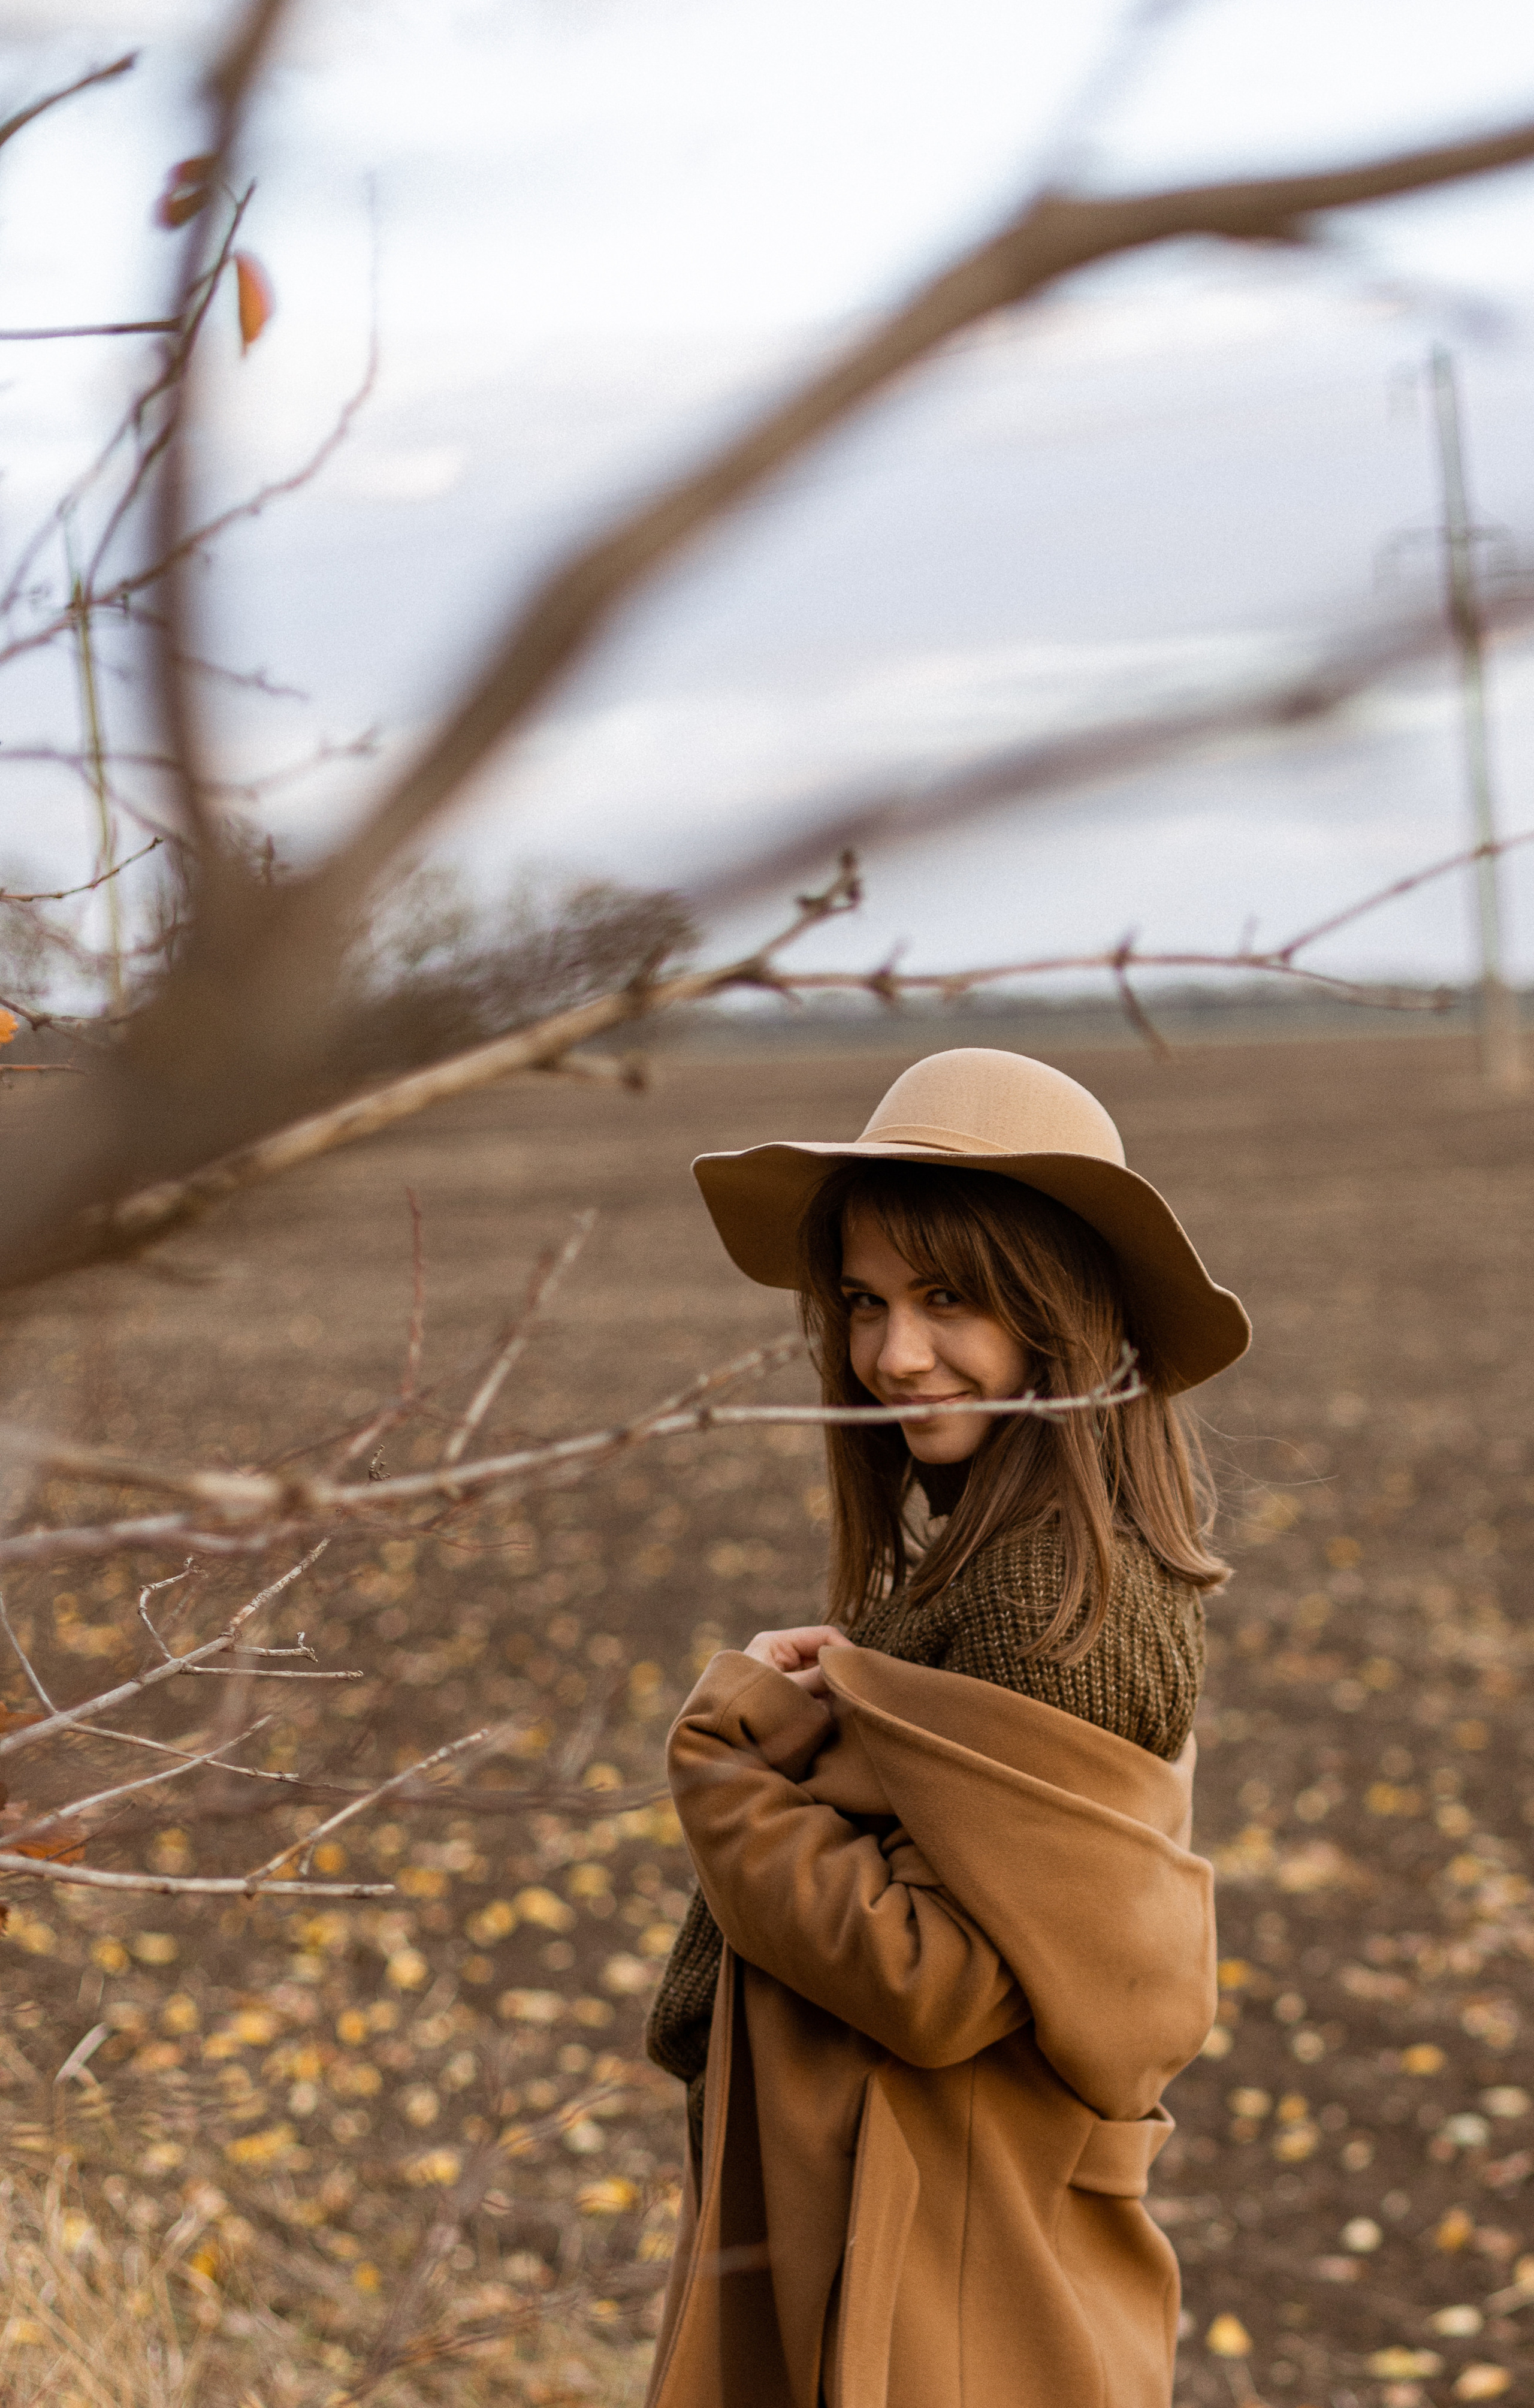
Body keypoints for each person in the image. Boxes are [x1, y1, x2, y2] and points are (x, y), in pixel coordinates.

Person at [644, 1048, 1249, 2408]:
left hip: (950, 2298)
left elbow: (940, 1980)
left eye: (947, 1298)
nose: (892, 1355)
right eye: (865, 1302)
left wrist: (730, 1754)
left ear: (1059, 1315)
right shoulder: (993, 1564)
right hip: (913, 2246)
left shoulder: (1047, 1589)